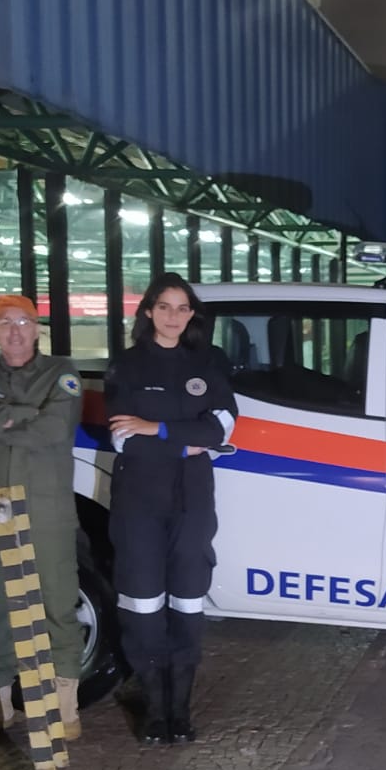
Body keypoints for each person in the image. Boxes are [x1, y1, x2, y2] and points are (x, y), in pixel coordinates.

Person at [104, 273, 237, 745]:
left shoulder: (209, 362)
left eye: (182, 308)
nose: (174, 317)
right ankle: (155, 712)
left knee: (187, 601)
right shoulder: (128, 365)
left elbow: (221, 430)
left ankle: (180, 712)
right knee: (142, 605)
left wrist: (157, 430)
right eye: (165, 307)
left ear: (192, 314)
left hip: (193, 502)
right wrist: (187, 441)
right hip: (139, 503)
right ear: (148, 312)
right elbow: (123, 440)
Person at [0, 295, 86, 744]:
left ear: (37, 328)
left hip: (46, 509)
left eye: (22, 322)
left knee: (57, 604)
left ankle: (65, 708)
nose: (14, 331)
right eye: (4, 323)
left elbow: (55, 428)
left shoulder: (61, 372)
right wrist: (24, 413)